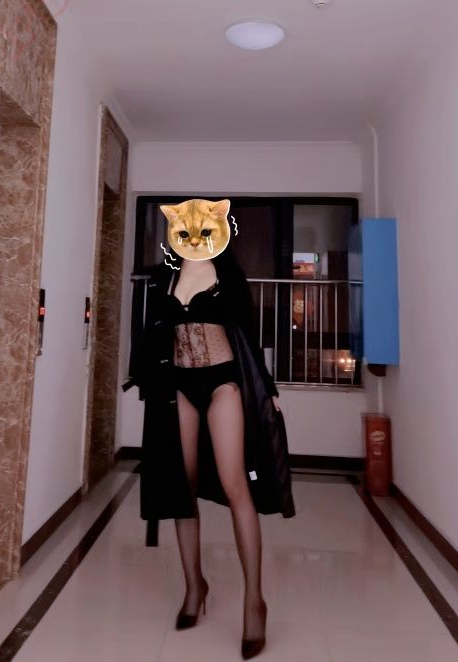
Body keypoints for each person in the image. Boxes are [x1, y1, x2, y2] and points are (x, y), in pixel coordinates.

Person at [122, 198, 295, 659]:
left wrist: (268, 387)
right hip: (179, 386)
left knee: (237, 486)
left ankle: (254, 601)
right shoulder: (165, 275)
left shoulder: (229, 275)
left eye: (204, 230)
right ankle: (194, 586)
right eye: (187, 231)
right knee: (184, 486)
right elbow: (152, 332)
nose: (195, 239)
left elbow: (248, 335)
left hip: (222, 383)